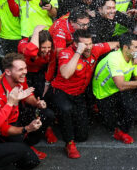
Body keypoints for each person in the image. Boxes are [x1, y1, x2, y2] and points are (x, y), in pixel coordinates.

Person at [50, 30, 116, 159]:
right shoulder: (66, 53)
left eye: (90, 43)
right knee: (66, 109)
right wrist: (78, 52)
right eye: (84, 44)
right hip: (61, 92)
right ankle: (69, 143)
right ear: (75, 44)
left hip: (79, 94)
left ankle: (63, 123)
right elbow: (66, 74)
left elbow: (113, 44)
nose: (89, 47)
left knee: (82, 137)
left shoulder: (94, 49)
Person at [92, 33, 137, 144]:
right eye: (136, 47)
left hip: (119, 89)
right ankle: (116, 127)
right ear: (125, 47)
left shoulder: (134, 57)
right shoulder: (114, 59)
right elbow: (121, 85)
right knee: (115, 120)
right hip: (105, 94)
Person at [0, 53, 55, 161]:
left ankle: (28, 143)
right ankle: (22, 145)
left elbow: (27, 95)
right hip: (3, 127)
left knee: (47, 115)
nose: (25, 72)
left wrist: (36, 103)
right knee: (31, 161)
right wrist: (26, 129)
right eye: (21, 69)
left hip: (16, 116)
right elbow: (1, 127)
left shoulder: (18, 78)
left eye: (25, 68)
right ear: (8, 71)